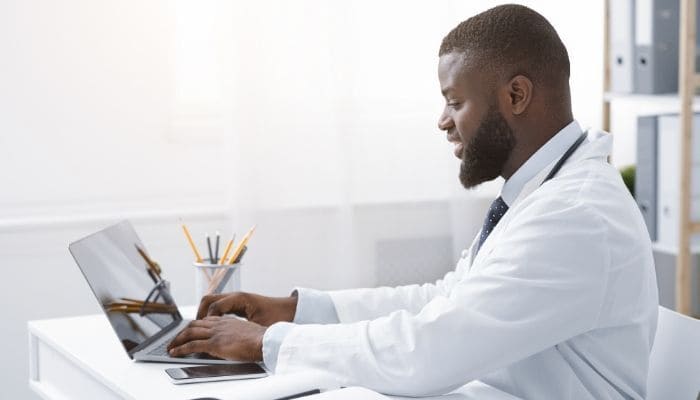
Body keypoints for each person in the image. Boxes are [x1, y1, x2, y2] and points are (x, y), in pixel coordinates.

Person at [168, 4, 658, 399]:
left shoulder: (576, 216)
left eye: (455, 101)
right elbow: (442, 302)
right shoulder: (543, 194)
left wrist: (267, 342)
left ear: (516, 95)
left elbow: (429, 354)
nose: (443, 121)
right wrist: (293, 311)